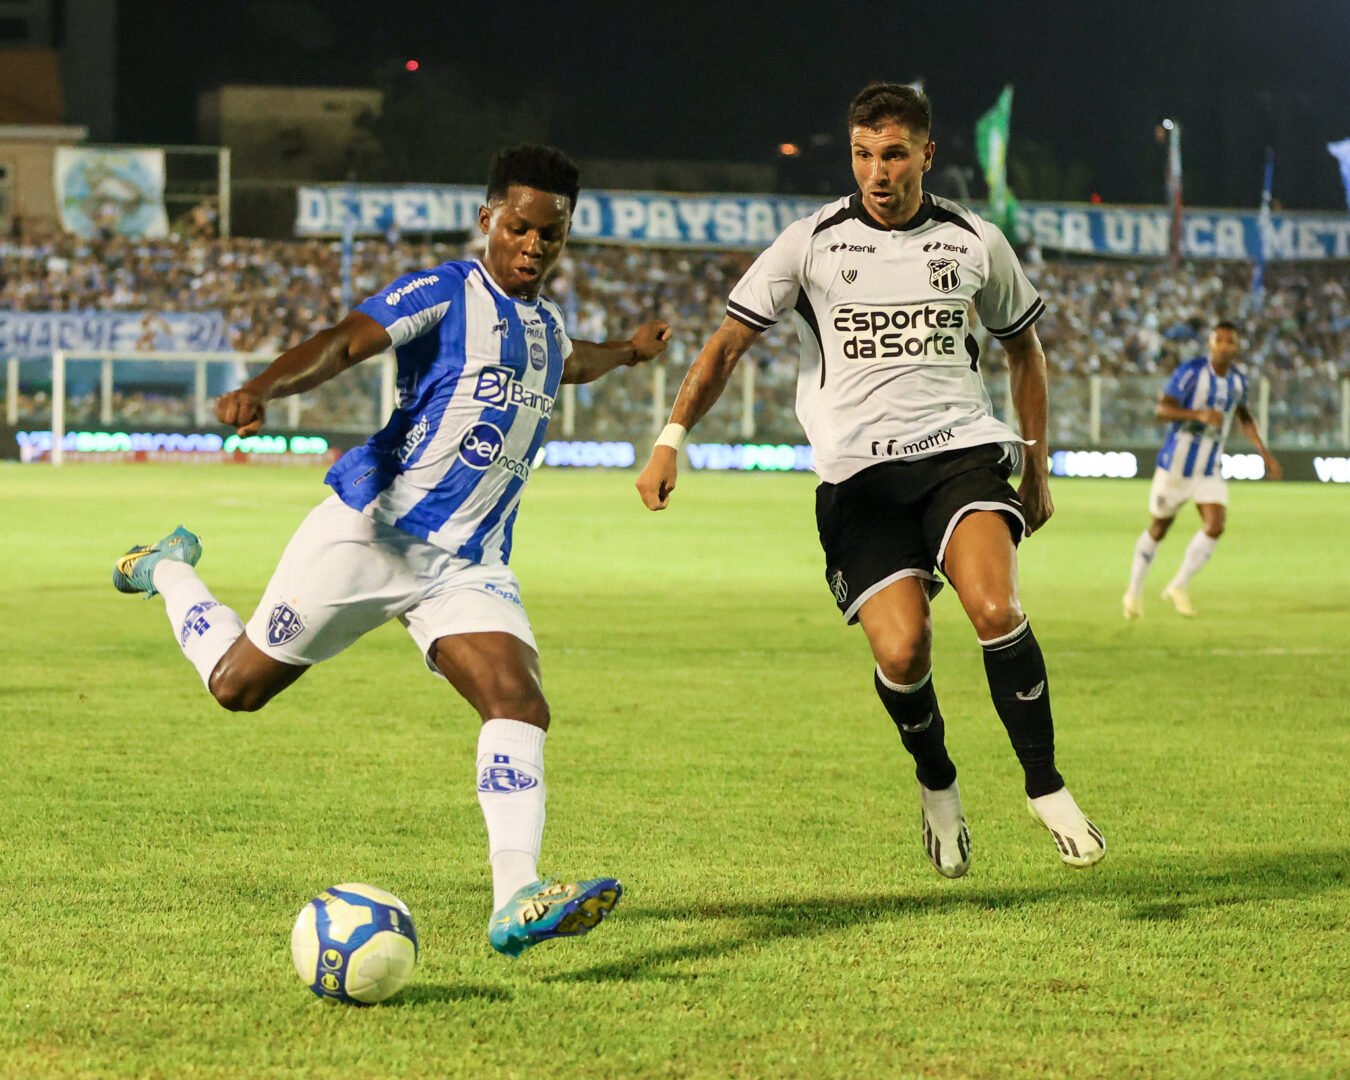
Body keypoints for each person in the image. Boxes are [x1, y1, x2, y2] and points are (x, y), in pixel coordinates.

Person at [112, 144, 671, 956]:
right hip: (372, 534)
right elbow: (345, 342)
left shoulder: (546, 324)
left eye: (551, 236)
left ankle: (515, 897)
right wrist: (262, 388)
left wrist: (627, 351)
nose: (533, 247)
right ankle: (167, 567)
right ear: (488, 219)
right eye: (519, 228)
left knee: (519, 703)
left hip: (467, 562)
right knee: (238, 688)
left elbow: (570, 364)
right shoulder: (446, 293)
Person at [636, 83, 1105, 876]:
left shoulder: (975, 240)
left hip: (960, 453)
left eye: (892, 154)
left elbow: (1025, 348)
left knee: (997, 606)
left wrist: (1037, 463)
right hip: (857, 478)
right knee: (904, 649)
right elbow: (723, 348)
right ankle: (938, 782)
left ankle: (1045, 785)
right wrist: (669, 439)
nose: (876, 172)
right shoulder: (810, 241)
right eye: (862, 154)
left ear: (926, 152)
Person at [1122, 321, 1282, 619]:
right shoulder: (1191, 372)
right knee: (1158, 529)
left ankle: (1178, 586)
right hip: (1176, 468)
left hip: (1209, 468)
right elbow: (1162, 410)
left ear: (1236, 347)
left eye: (1230, 341)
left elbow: (1244, 417)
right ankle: (1133, 592)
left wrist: (1264, 453)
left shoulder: (1237, 381)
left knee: (1216, 524)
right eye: (1219, 340)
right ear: (1210, 344)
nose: (1224, 345)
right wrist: (1198, 414)